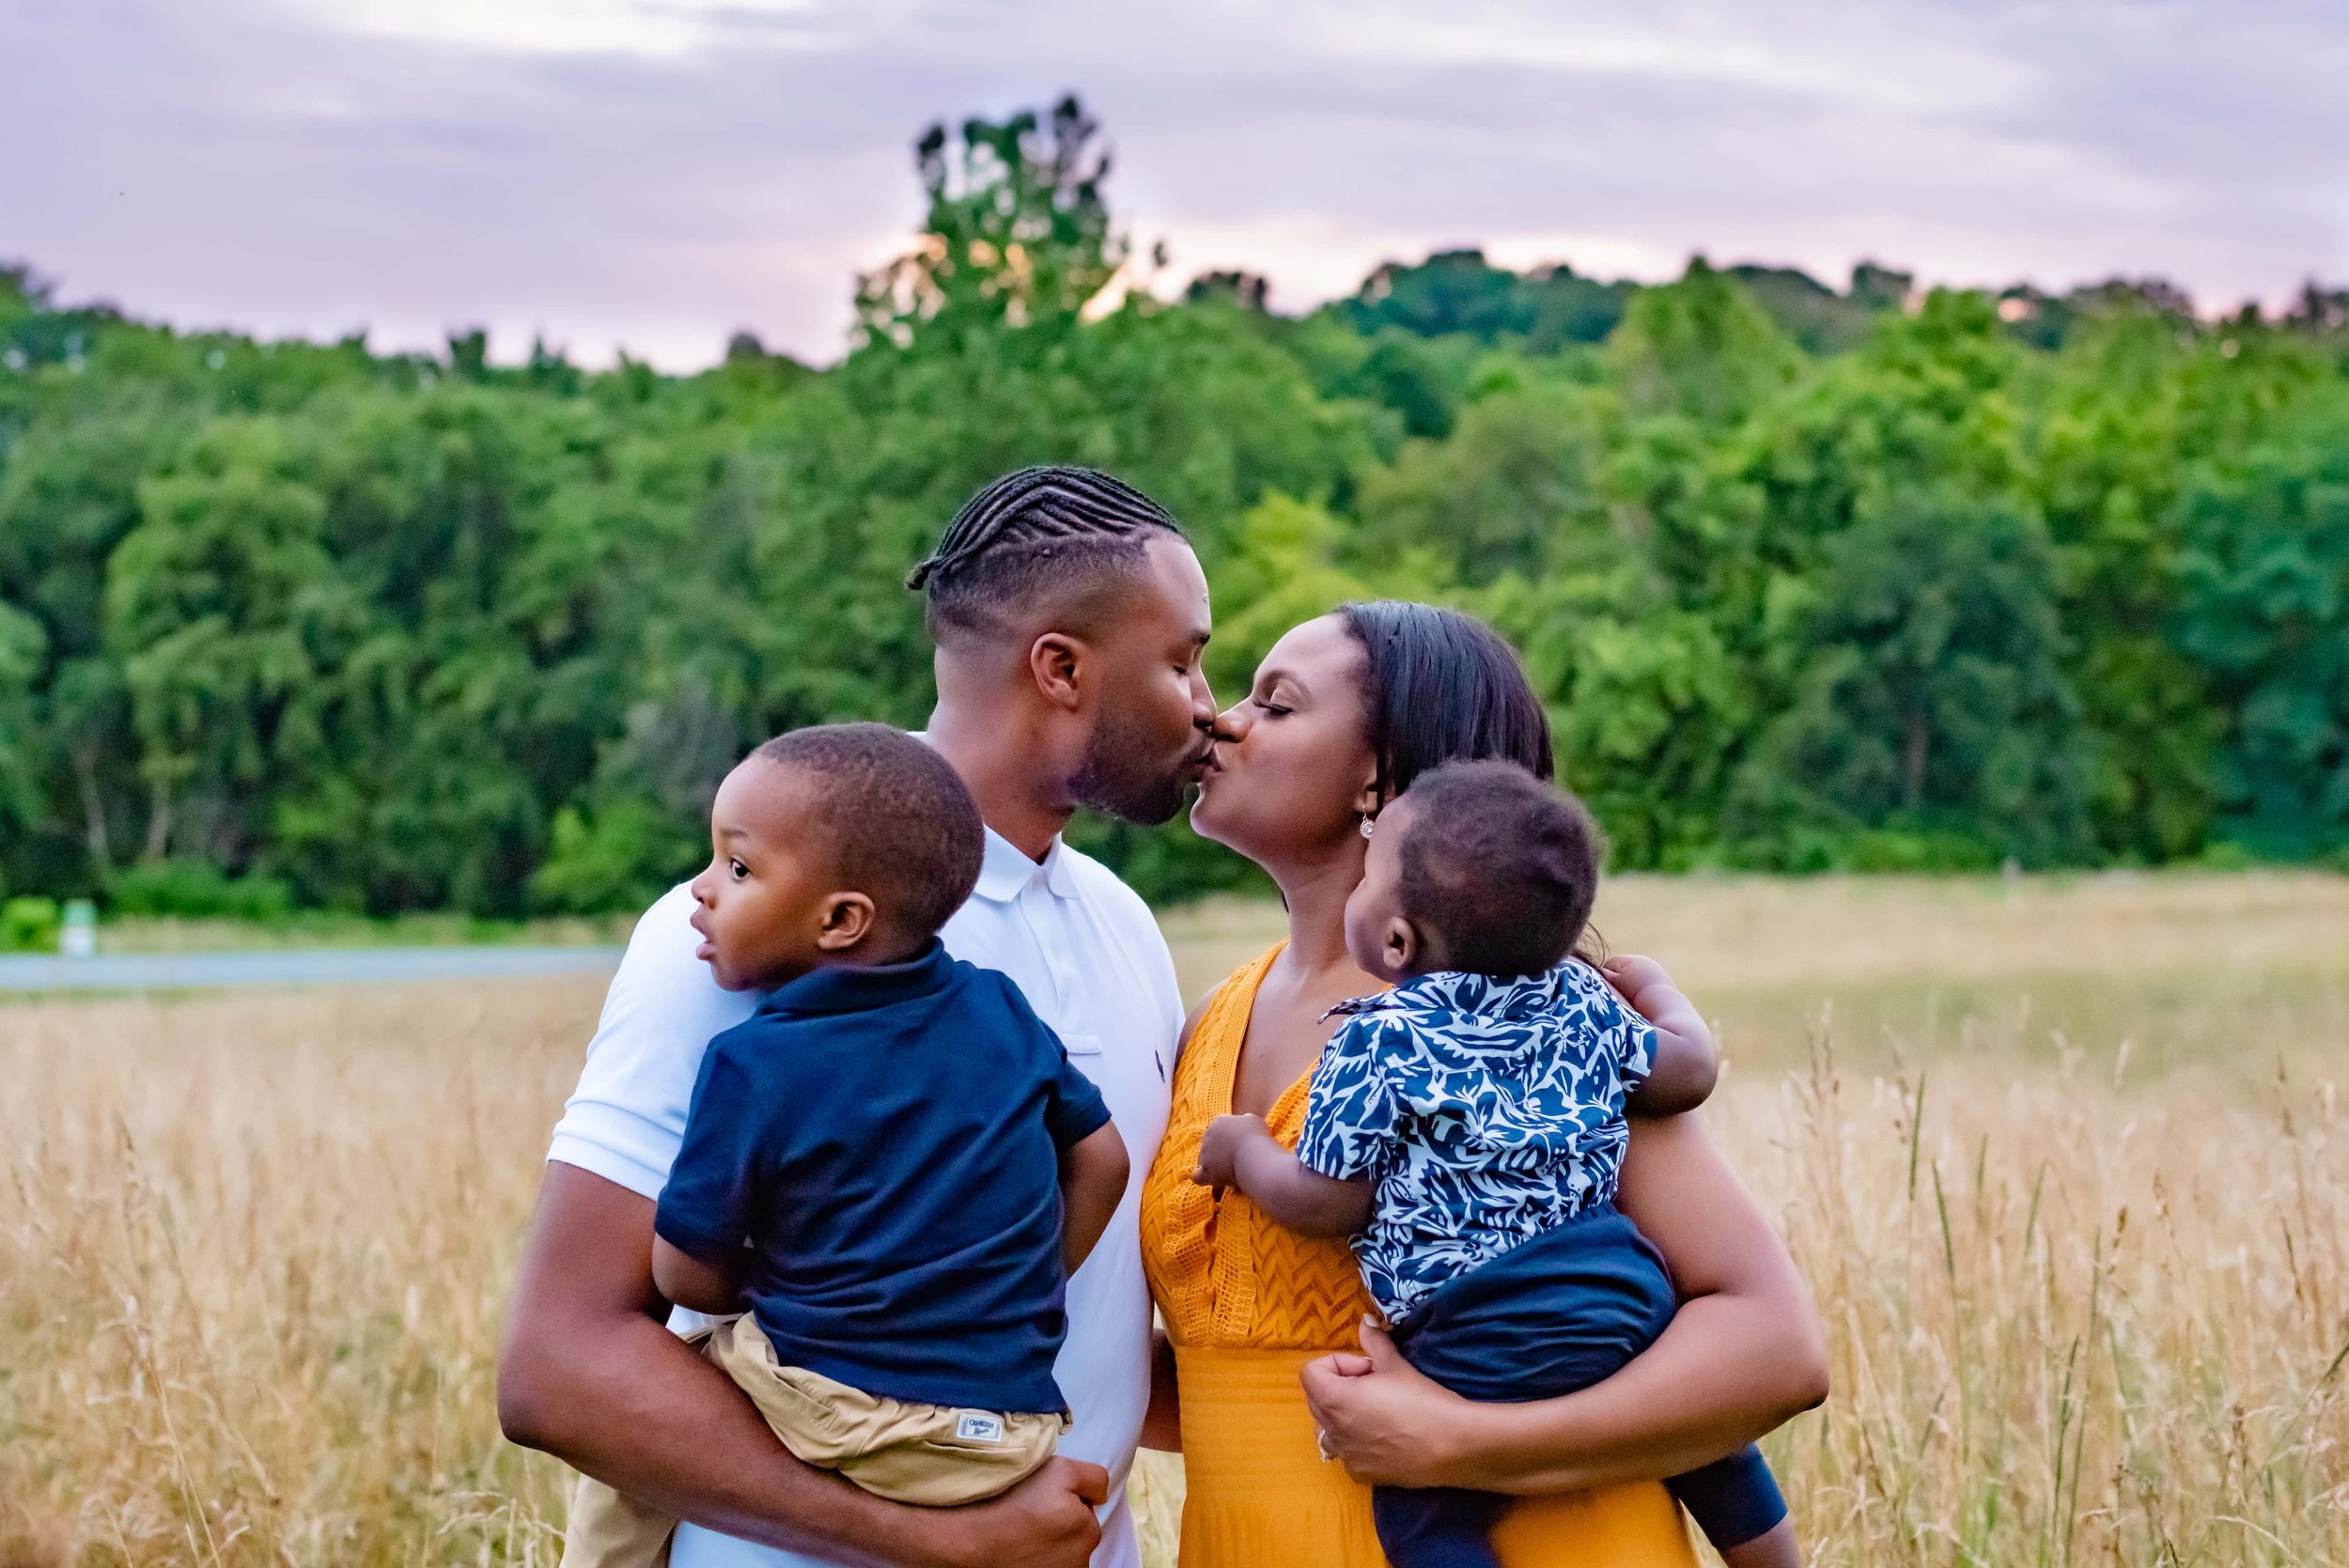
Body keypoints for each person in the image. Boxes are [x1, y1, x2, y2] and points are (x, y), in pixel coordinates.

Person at [500, 466, 1217, 1568]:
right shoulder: (748, 931)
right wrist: (931, 1535)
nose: (1209, 705)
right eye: (1183, 660)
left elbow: (1094, 1310)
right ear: (1061, 668)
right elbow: (559, 1363)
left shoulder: (1120, 924)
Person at [1141, 600, 1828, 1568]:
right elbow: (1225, 1373)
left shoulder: (1527, 1011)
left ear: (1375, 780)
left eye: (1277, 703)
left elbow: (1777, 1349)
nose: (1224, 719)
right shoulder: (1212, 1013)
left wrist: (1463, 1444)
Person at [562, 724, 1131, 1568]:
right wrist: (1024, 1288)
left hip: (845, 1417)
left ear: (839, 920)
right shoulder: (1003, 1013)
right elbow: (1105, 1160)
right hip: (1013, 1430)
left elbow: (686, 1276)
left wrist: (771, 1283)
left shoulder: (753, 1062)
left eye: (739, 868)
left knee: (628, 1426)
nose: (701, 890)